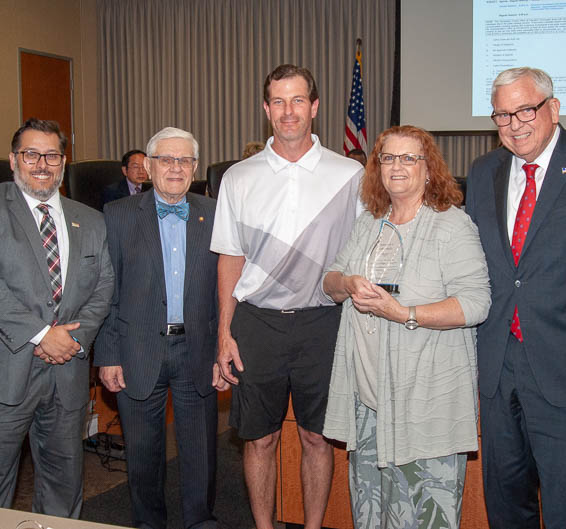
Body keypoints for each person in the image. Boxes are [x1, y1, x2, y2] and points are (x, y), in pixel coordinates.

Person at [210, 64, 363, 529]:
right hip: (257, 324)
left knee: (318, 438)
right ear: (266, 109)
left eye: (298, 100)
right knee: (260, 440)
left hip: (324, 323)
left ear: (314, 107)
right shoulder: (239, 177)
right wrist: (224, 333)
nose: (288, 111)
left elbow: (367, 253)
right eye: (278, 101)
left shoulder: (350, 173)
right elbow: (229, 260)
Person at [322, 125, 491, 528]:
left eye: (408, 158)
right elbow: (329, 281)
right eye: (387, 158)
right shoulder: (370, 223)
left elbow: (476, 303)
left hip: (425, 403)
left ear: (428, 169)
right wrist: (346, 283)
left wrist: (405, 314)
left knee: (424, 516)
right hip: (369, 401)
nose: (396, 167)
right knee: (372, 511)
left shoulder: (452, 225)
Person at [95, 127, 219, 529]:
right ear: (148, 167)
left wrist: (223, 349)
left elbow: (227, 290)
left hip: (197, 350)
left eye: (184, 160)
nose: (176, 167)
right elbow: (106, 291)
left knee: (201, 454)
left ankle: (199, 522)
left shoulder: (215, 214)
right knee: (144, 457)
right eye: (166, 159)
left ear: (195, 167)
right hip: (137, 351)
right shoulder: (117, 216)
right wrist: (108, 354)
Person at [466, 67, 566, 529]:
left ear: (554, 108)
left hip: (560, 365)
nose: (514, 123)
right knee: (506, 504)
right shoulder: (484, 171)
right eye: (502, 115)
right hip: (498, 365)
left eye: (525, 109)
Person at [0, 118, 114, 517]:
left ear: (64, 162)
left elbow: (103, 287)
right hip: (7, 371)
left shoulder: (91, 220)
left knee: (63, 484)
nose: (42, 164)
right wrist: (40, 333)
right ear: (14, 160)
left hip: (67, 371)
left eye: (51, 155)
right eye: (31, 154)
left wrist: (72, 339)